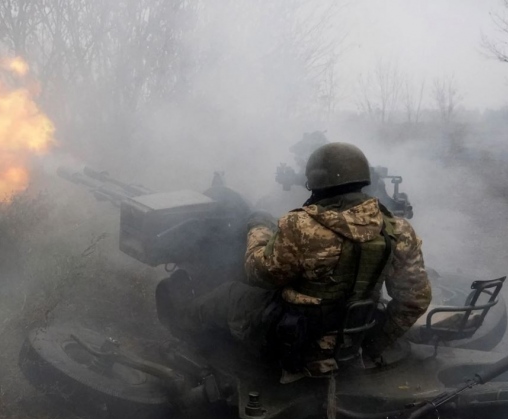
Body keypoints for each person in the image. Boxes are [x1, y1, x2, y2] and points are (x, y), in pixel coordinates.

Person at [172, 142, 432, 380]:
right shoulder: (398, 229)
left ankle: (178, 328)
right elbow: (414, 299)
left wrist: (259, 228)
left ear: (315, 183)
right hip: (353, 336)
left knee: (230, 295)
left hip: (294, 340)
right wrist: (372, 342)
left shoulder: (301, 225)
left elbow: (259, 273)